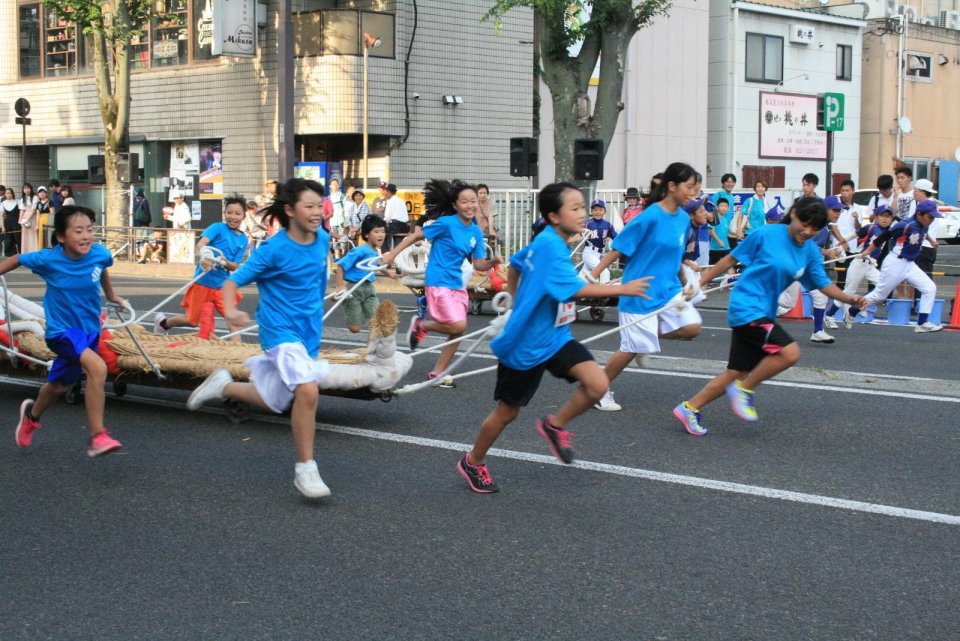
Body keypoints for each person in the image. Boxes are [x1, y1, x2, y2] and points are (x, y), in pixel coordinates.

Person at [455, 183, 652, 493]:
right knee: (507, 412)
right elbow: (574, 289)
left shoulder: (550, 242)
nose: (582, 212)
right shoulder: (549, 246)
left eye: (582, 206)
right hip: (524, 344)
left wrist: (514, 293)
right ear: (553, 215)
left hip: (555, 337)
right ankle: (473, 461)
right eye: (573, 208)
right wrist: (622, 288)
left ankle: (554, 425)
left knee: (598, 384)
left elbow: (516, 264)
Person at [185, 178, 334, 499]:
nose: (316, 212)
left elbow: (315, 281)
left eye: (319, 205)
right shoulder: (274, 249)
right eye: (308, 206)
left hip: (307, 335)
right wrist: (232, 311)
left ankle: (222, 385)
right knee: (307, 390)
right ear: (290, 210)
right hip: (279, 332)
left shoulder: (322, 239)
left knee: (274, 400)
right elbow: (231, 282)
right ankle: (306, 469)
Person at [673, 197, 867, 436]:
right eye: (804, 223)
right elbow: (730, 259)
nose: (807, 231)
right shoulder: (767, 233)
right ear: (794, 214)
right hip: (746, 306)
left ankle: (689, 408)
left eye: (815, 228)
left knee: (736, 372)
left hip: (764, 311)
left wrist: (850, 299)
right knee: (790, 352)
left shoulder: (810, 252)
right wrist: (697, 284)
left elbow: (824, 285)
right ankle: (745, 391)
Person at [5, 205, 125, 457]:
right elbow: (18, 258)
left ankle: (31, 416)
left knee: (58, 386)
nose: (86, 236)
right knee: (98, 367)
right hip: (62, 333)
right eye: (78, 230)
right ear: (61, 236)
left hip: (90, 332)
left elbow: (101, 268)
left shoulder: (100, 253)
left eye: (90, 230)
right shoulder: (49, 259)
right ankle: (97, 436)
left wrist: (112, 295)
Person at [588, 163, 703, 412]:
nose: (693, 194)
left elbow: (675, 257)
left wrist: (687, 285)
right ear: (672, 186)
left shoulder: (683, 219)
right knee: (631, 348)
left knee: (692, 327)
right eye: (689, 188)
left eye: (695, 189)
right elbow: (619, 246)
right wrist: (594, 275)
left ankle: (646, 338)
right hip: (639, 290)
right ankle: (598, 389)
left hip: (669, 289)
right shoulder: (650, 216)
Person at [381, 179, 502, 387]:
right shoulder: (446, 224)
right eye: (464, 202)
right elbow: (417, 234)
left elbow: (479, 264)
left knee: (458, 331)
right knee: (458, 324)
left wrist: (493, 262)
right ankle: (422, 324)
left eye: (473, 201)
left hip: (456, 283)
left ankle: (437, 372)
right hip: (438, 280)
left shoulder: (475, 231)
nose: (470, 205)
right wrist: (392, 254)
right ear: (455, 205)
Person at [154, 195, 250, 342]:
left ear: (244, 215)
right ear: (225, 213)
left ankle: (235, 356)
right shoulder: (217, 227)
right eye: (229, 212)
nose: (233, 217)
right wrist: (205, 256)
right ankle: (163, 324)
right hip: (202, 283)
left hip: (223, 287)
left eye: (237, 213)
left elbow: (235, 265)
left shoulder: (243, 239)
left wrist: (225, 263)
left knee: (232, 321)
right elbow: (202, 243)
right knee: (192, 321)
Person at [849, 199, 943, 333]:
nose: (932, 219)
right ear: (919, 214)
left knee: (930, 288)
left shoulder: (924, 224)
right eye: (930, 216)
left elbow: (924, 234)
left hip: (910, 264)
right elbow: (885, 236)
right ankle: (853, 310)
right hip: (895, 263)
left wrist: (932, 241)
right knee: (880, 295)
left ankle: (922, 323)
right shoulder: (905, 225)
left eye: (934, 217)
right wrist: (868, 250)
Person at [824, 204, 894, 327]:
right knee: (848, 293)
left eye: (888, 217)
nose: (885, 219)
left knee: (884, 286)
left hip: (870, 265)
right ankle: (829, 315)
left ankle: (858, 306)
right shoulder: (871, 228)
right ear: (876, 217)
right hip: (859, 263)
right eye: (882, 216)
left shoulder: (888, 232)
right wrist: (842, 242)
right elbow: (855, 234)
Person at [333, 215, 399, 333]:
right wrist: (340, 286)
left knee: (377, 323)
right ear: (367, 234)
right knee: (355, 329)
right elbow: (340, 265)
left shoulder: (375, 251)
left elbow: (377, 264)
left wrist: (389, 274)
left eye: (383, 232)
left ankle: (372, 350)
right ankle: (353, 311)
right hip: (354, 290)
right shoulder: (360, 250)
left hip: (369, 289)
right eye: (376, 231)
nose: (381, 235)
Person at [808, 195, 846, 343]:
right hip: (796, 266)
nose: (838, 213)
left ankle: (817, 331)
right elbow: (806, 246)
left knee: (821, 296)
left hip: (810, 268)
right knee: (785, 303)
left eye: (839, 211)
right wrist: (826, 252)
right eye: (835, 210)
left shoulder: (825, 226)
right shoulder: (817, 225)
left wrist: (831, 252)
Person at [580, 199, 617, 284]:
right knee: (604, 272)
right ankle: (605, 295)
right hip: (589, 252)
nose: (597, 212)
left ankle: (574, 291)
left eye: (600, 210)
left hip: (598, 253)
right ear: (591, 211)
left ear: (605, 211)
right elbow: (577, 233)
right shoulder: (587, 223)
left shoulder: (608, 224)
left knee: (583, 275)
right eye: (595, 210)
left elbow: (615, 237)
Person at [382, 183, 409, 250]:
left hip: (396, 226)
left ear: (388, 192)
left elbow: (387, 218)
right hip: (405, 227)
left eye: (385, 191)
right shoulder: (401, 200)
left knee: (381, 232)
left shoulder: (390, 201)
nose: (384, 193)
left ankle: (387, 253)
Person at [18, 183, 39, 254]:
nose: (26, 190)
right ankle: (25, 252)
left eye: (28, 188)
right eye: (25, 188)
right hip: (24, 218)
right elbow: (22, 210)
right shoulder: (22, 198)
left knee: (32, 234)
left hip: (32, 217)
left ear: (31, 189)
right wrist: (20, 219)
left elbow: (33, 210)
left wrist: (27, 219)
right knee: (25, 235)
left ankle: (33, 251)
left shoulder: (35, 197)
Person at [1, 186, 19, 256]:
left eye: (10, 193)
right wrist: (2, 226)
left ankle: (19, 253)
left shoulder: (17, 201)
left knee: (17, 237)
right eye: (7, 193)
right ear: (5, 194)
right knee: (8, 239)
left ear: (13, 194)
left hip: (16, 222)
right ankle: (9, 255)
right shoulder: (3, 203)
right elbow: (1, 216)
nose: (9, 194)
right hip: (7, 223)